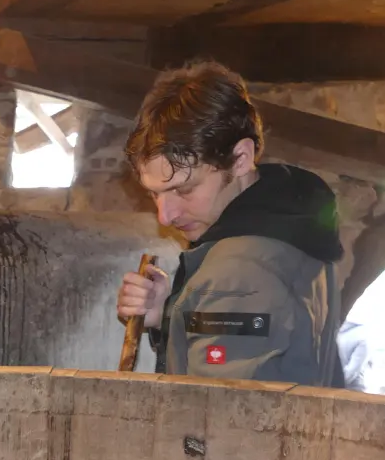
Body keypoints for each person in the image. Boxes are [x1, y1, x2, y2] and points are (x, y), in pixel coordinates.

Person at [115, 61, 345, 386]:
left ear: (240, 159)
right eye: (154, 194)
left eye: (184, 189)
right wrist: (173, 311)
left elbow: (219, 413)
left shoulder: (239, 272)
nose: (165, 216)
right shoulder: (292, 228)